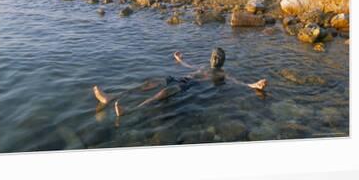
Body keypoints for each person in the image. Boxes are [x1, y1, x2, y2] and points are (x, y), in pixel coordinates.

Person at [92, 47, 268, 117]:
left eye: (217, 57)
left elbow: (239, 82)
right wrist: (179, 60)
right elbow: (188, 65)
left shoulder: (222, 73)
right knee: (151, 82)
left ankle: (129, 110)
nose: (214, 58)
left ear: (222, 61)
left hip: (187, 86)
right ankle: (111, 96)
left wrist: (254, 85)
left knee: (162, 94)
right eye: (213, 56)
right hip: (179, 78)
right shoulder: (201, 66)